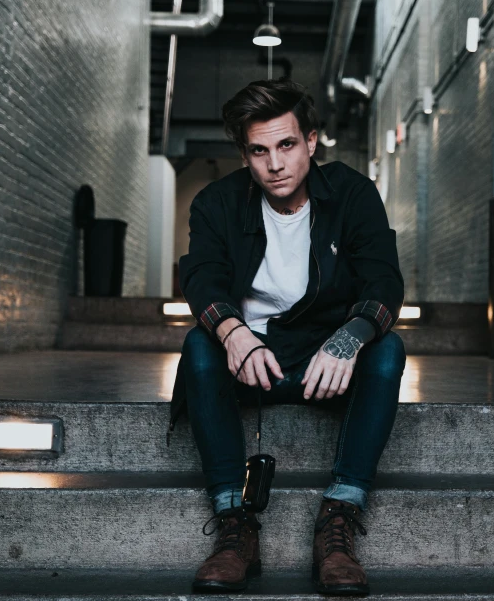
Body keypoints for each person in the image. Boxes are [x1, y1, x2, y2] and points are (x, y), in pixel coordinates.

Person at [168, 78, 406, 596]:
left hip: (327, 366)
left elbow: (384, 281)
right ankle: (236, 527)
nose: (275, 164)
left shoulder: (351, 193)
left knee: (387, 348)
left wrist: (351, 337)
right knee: (197, 346)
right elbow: (202, 278)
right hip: (250, 364)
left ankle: (338, 521)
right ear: (245, 154)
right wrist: (232, 331)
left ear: (312, 141)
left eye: (287, 145)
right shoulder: (217, 203)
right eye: (259, 150)